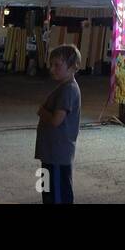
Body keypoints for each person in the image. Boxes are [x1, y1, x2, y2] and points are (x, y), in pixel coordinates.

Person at [36, 44, 82, 204]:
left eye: (57, 65)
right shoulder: (63, 88)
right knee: (47, 190)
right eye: (51, 64)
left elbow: (56, 120)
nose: (52, 69)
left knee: (57, 194)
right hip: (50, 152)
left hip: (57, 154)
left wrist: (42, 112)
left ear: (72, 66)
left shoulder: (68, 90)